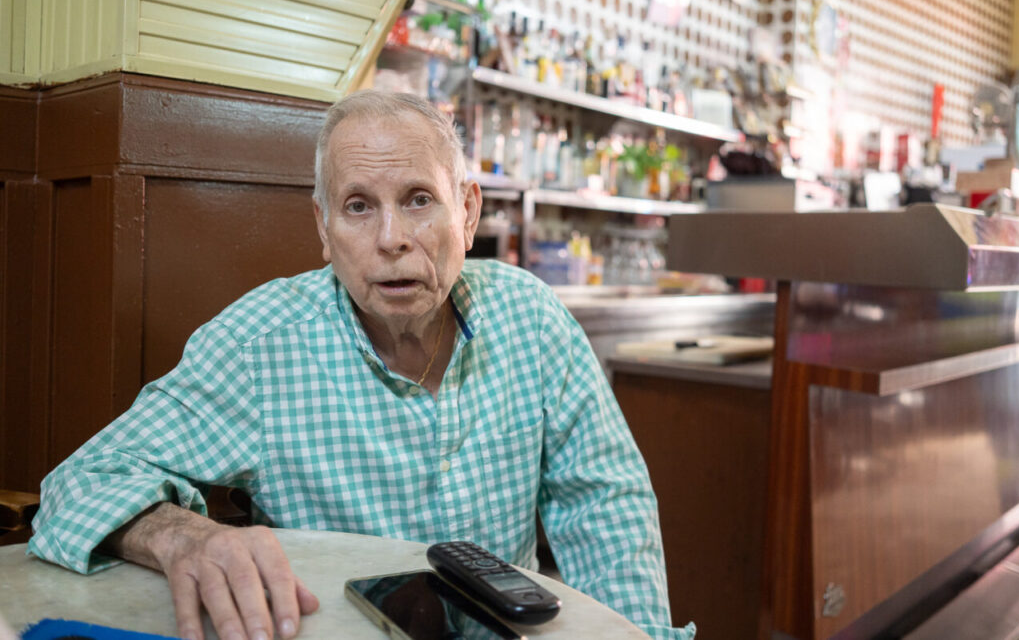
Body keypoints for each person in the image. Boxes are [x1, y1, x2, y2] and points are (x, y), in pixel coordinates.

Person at [29, 90, 696, 640]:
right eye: (358, 207)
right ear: (324, 230)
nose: (391, 239)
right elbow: (80, 483)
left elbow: (605, 506)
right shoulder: (261, 347)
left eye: (417, 199)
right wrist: (182, 537)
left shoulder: (532, 318)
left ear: (466, 211)